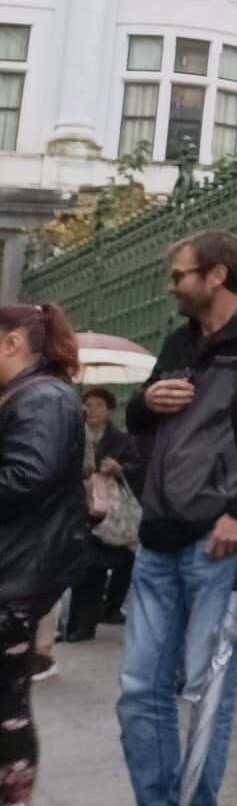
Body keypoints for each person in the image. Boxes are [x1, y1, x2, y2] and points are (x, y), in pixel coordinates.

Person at [119, 233, 237, 806]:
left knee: (207, 687)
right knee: (140, 689)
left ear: (216, 276)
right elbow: (141, 422)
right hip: (158, 536)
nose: (171, 285)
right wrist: (143, 403)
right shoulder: (178, 340)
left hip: (222, 539)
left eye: (179, 275)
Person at [0, 302, 87, 805]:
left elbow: (28, 476)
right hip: (15, 568)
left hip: (15, 576)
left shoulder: (45, 397)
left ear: (12, 341)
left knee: (7, 701)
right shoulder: (27, 394)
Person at [60, 387, 142, 642]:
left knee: (95, 568)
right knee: (80, 568)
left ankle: (85, 624)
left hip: (108, 511)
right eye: (89, 404)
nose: (93, 409)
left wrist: (119, 469)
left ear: (109, 410)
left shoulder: (122, 439)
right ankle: (73, 624)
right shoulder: (74, 433)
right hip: (78, 507)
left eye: (99, 405)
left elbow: (138, 466)